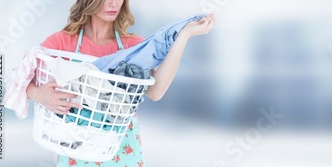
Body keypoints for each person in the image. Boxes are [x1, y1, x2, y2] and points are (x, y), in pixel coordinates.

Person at [27, 0, 215, 166]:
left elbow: (155, 92)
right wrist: (38, 94)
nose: (113, 3)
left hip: (123, 152)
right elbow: (18, 78)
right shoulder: (62, 42)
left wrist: (184, 35)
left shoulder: (133, 47)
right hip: (76, 151)